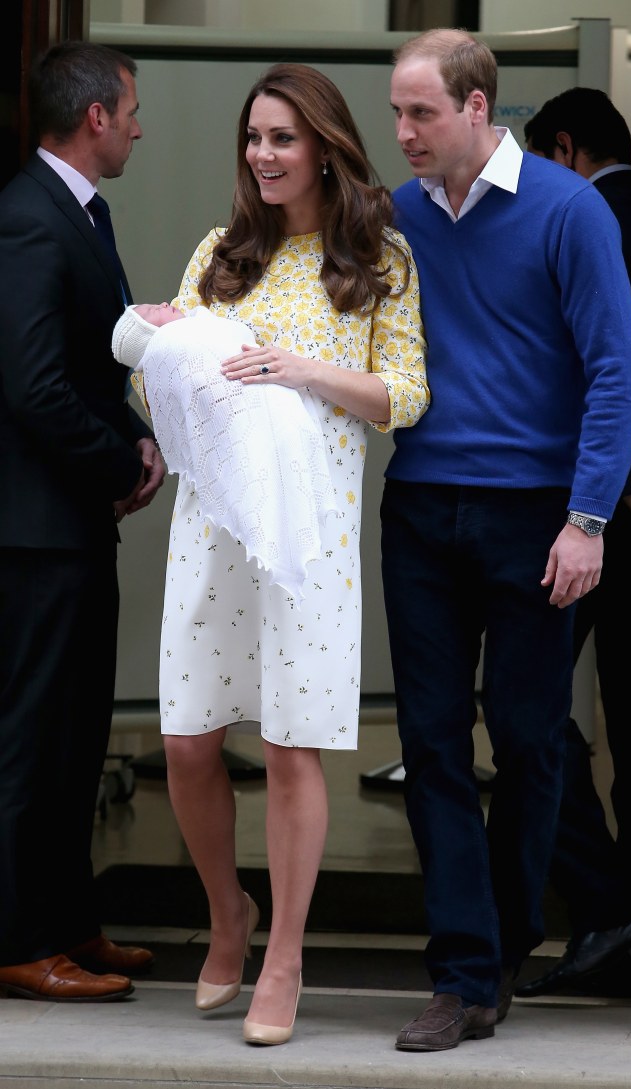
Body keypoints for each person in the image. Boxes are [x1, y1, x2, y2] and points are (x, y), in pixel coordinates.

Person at [141, 63, 428, 1046]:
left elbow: (405, 396)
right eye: (253, 139)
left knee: (290, 746)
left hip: (311, 543)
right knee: (185, 743)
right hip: (213, 529)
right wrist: (162, 348)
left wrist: (299, 368)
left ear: (324, 146)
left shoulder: (377, 258)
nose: (263, 155)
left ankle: (286, 957)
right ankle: (229, 911)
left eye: (282, 138)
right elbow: (163, 395)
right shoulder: (218, 255)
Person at [381, 29, 631, 1051]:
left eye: (421, 114)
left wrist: (587, 519)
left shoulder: (568, 209)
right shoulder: (397, 216)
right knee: (432, 746)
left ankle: (503, 947)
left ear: (477, 106)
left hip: (538, 513)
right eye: (397, 112)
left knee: (530, 741)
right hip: (419, 509)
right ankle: (461, 973)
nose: (401, 132)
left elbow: (617, 368)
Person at [513, 87, 631, 998]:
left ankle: (601, 901)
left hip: (591, 506)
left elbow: (586, 367)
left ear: (564, 149)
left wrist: (622, 486)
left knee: (525, 700)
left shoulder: (578, 226)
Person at [0, 40, 165, 1002]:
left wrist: (135, 439)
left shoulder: (76, 211)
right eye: (132, 108)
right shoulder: (28, 218)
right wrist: (121, 458)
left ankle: (70, 924)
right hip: (33, 534)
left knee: (74, 736)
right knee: (31, 736)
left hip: (69, 526)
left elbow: (86, 370)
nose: (140, 124)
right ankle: (21, 940)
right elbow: (33, 385)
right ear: (96, 116)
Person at [112, 302, 339, 602]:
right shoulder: (176, 343)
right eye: (154, 312)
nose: (165, 304)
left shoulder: (193, 322)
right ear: (153, 335)